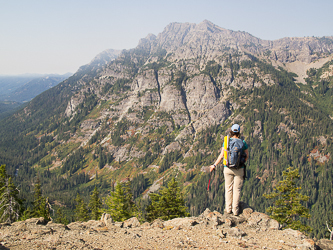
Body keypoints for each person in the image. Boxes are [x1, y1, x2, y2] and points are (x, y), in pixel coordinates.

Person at [209, 124, 248, 216]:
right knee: (237, 189)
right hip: (239, 169)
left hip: (227, 168)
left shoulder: (226, 142)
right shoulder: (243, 142)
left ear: (231, 131)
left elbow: (222, 155)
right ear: (239, 132)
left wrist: (214, 165)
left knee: (228, 189)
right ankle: (235, 210)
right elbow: (246, 156)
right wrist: (240, 163)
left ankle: (228, 209)